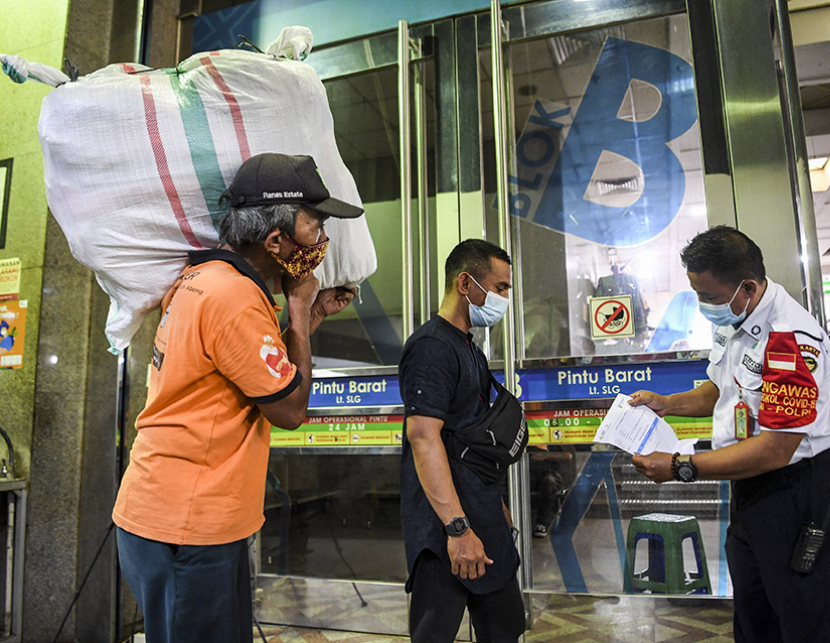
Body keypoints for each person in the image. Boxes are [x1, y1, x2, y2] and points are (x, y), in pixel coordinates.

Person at [112, 153, 364, 643]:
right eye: (315, 228)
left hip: (171, 516)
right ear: (275, 240)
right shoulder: (234, 301)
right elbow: (290, 408)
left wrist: (308, 318)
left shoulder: (203, 279)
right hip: (188, 525)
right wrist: (297, 305)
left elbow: (254, 367)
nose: (322, 242)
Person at [629, 226, 830, 643]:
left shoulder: (790, 339)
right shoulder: (738, 318)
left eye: (709, 297)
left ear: (747, 286)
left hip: (797, 490)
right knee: (755, 614)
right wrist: (668, 402)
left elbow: (775, 449)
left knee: (806, 618)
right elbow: (722, 386)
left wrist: (681, 467)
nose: (702, 305)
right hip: (750, 490)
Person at [399, 239, 526, 643]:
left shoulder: (468, 346)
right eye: (501, 287)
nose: (505, 298)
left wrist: (495, 503)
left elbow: (471, 437)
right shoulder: (432, 347)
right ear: (466, 283)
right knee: (434, 633)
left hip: (482, 518)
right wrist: (457, 529)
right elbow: (423, 437)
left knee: (505, 628)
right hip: (447, 532)